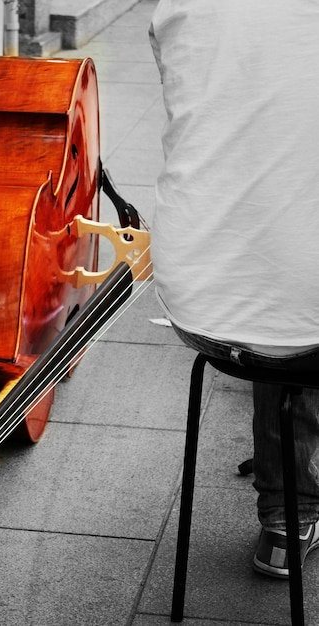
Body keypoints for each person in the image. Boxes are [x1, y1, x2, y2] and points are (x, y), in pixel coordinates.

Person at [148, 0, 319, 579]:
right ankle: (296, 510)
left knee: (277, 288)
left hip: (195, 301)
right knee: (298, 310)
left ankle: (285, 524)